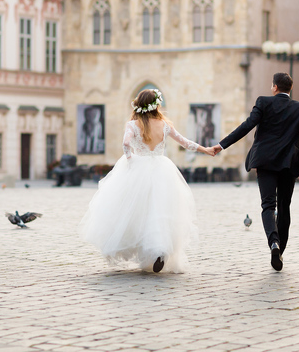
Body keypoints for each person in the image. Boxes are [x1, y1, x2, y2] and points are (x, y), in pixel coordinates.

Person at [79, 89, 216, 273]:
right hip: (162, 169)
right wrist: (205, 149)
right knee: (160, 211)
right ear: (156, 105)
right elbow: (185, 142)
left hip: (138, 168)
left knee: (135, 212)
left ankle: (145, 247)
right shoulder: (164, 125)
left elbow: (126, 143)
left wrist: (129, 158)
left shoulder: (133, 125)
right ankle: (160, 250)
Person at [213, 73, 299, 272]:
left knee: (268, 206)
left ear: (274, 87)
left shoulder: (263, 102)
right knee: (285, 207)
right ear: (290, 88)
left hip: (265, 161)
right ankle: (281, 251)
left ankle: (273, 243)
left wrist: (222, 145)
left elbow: (246, 126)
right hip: (289, 164)